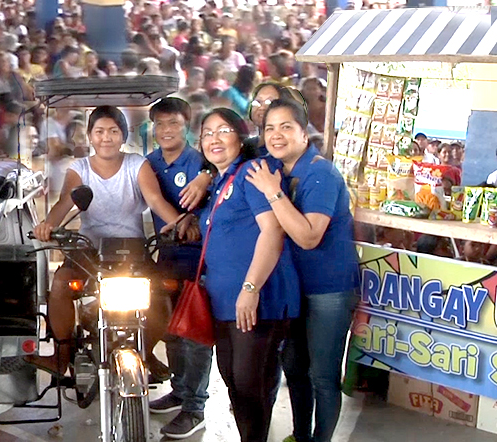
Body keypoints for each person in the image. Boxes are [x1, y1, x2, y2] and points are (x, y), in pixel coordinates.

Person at [29, 106, 193, 379]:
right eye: (100, 131)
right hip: (89, 252)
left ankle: (147, 351)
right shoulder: (79, 168)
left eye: (114, 131)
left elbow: (155, 200)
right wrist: (48, 226)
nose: (107, 137)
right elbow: (64, 203)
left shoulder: (136, 165)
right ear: (90, 136)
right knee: (60, 285)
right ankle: (62, 354)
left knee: (161, 297)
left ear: (123, 135)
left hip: (133, 253)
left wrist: (181, 223)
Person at [245, 98, 358, 442]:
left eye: (286, 127)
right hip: (293, 287)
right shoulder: (273, 165)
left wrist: (273, 192)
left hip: (330, 290)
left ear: (304, 133)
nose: (276, 135)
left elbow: (308, 237)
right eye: (269, 128)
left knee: (322, 375)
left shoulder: (320, 173)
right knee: (294, 367)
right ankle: (300, 435)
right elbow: (234, 161)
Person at [197, 107, 299, 442]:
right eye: (207, 132)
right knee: (234, 383)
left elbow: (273, 232)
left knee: (250, 386)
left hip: (258, 300)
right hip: (223, 301)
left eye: (223, 130)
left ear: (241, 138)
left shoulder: (254, 171)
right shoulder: (219, 181)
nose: (215, 138)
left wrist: (251, 288)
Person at [144, 98, 213, 438]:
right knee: (171, 329)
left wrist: (194, 219)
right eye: (160, 125)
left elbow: (216, 202)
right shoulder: (150, 163)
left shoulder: (203, 163)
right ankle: (179, 390)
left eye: (173, 123)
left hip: (199, 260)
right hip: (165, 258)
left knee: (195, 333)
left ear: (187, 126)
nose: (166, 131)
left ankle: (195, 407)